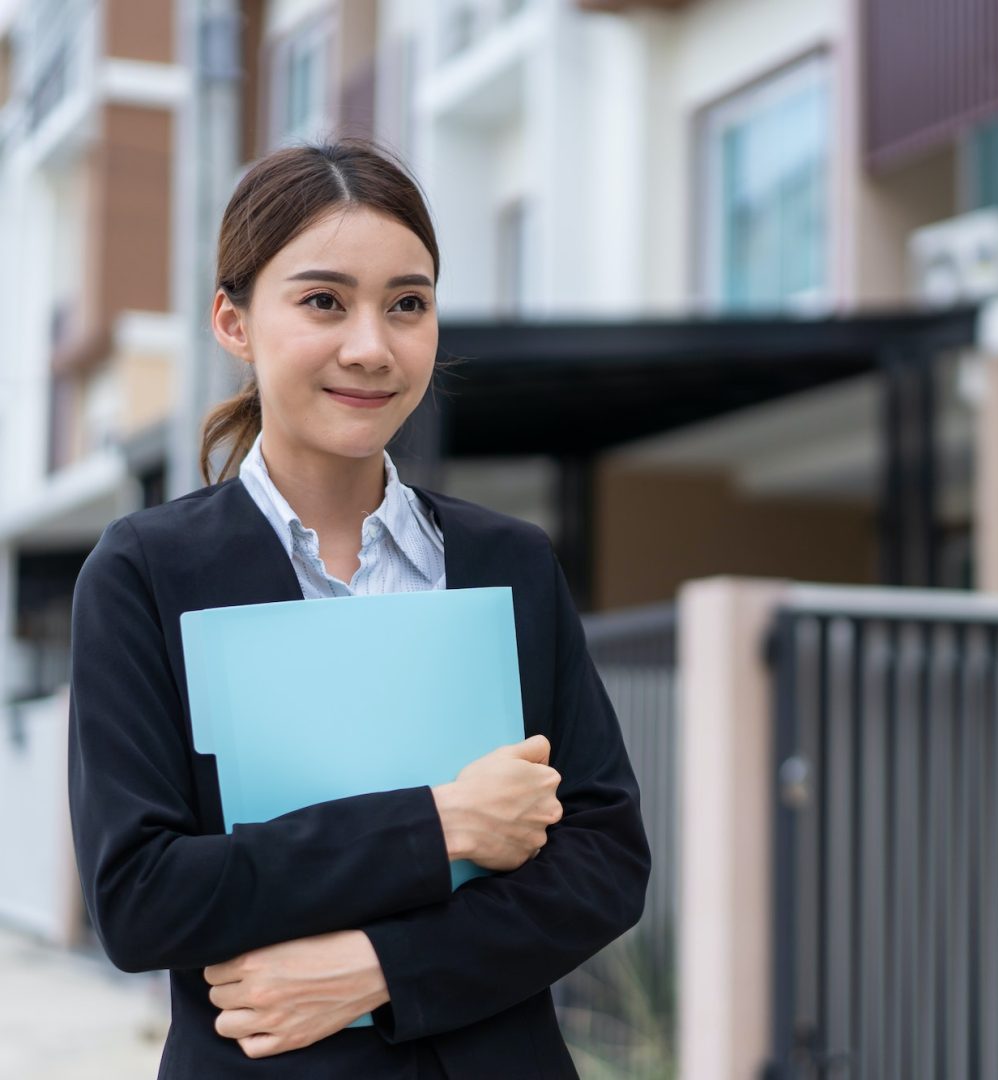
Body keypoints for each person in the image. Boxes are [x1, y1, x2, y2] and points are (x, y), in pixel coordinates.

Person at [68, 139, 650, 1079]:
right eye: (323, 301)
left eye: (408, 305)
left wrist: (383, 967)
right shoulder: (146, 573)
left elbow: (604, 864)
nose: (371, 347)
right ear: (234, 320)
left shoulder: (511, 564)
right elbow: (143, 897)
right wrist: (443, 824)